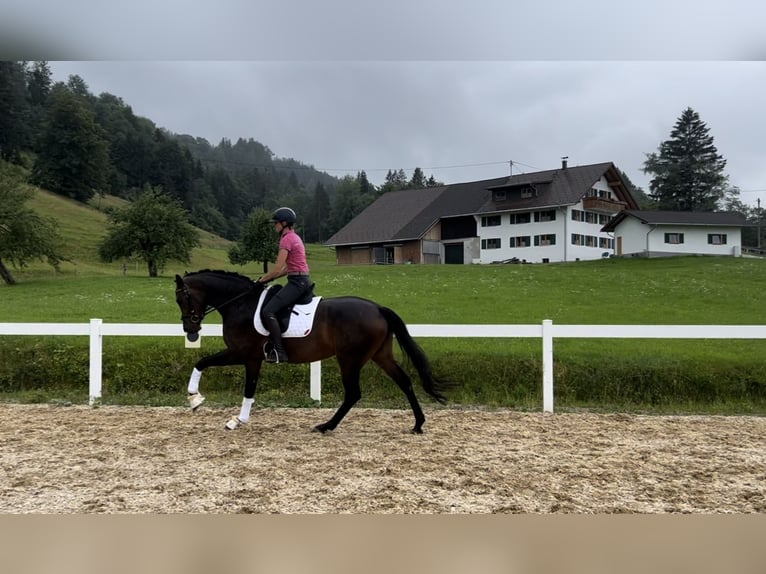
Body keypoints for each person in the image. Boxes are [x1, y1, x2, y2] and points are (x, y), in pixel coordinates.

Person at [257, 207, 311, 363]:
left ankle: (280, 352)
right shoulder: (295, 237)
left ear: (284, 223)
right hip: (302, 279)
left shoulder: (286, 239)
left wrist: (261, 281)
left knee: (268, 311)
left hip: (297, 283)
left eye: (276, 223)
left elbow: (277, 268)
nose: (275, 226)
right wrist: (269, 278)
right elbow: (287, 269)